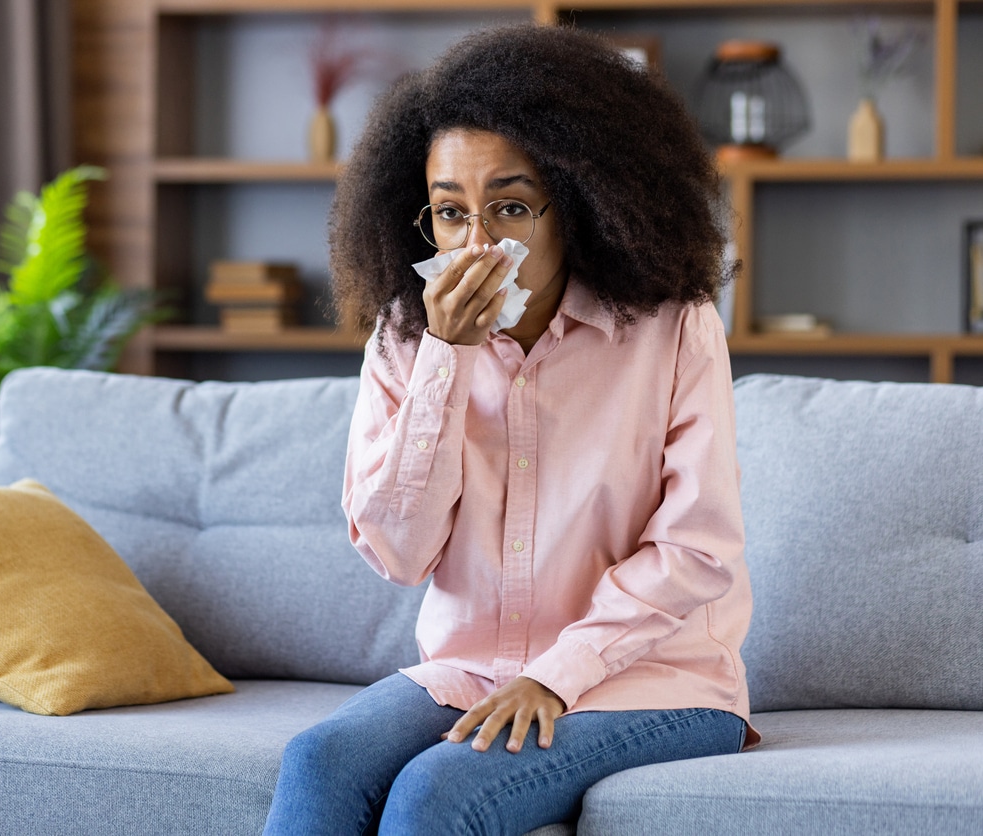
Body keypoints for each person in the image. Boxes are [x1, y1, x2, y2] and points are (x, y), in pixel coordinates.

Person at [263, 22, 757, 836]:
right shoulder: (404, 337)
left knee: (436, 793)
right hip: (469, 667)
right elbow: (396, 553)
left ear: (583, 204)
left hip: (656, 678)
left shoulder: (673, 327)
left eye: (512, 208)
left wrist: (556, 677)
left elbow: (696, 549)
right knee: (318, 762)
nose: (478, 244)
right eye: (450, 213)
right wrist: (445, 362)